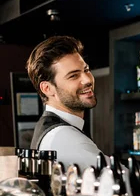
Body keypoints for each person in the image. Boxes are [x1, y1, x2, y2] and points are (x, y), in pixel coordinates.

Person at [27, 35, 103, 169]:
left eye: (86, 70)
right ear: (47, 88)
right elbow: (122, 181)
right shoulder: (64, 137)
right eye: (73, 76)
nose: (87, 80)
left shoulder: (54, 129)